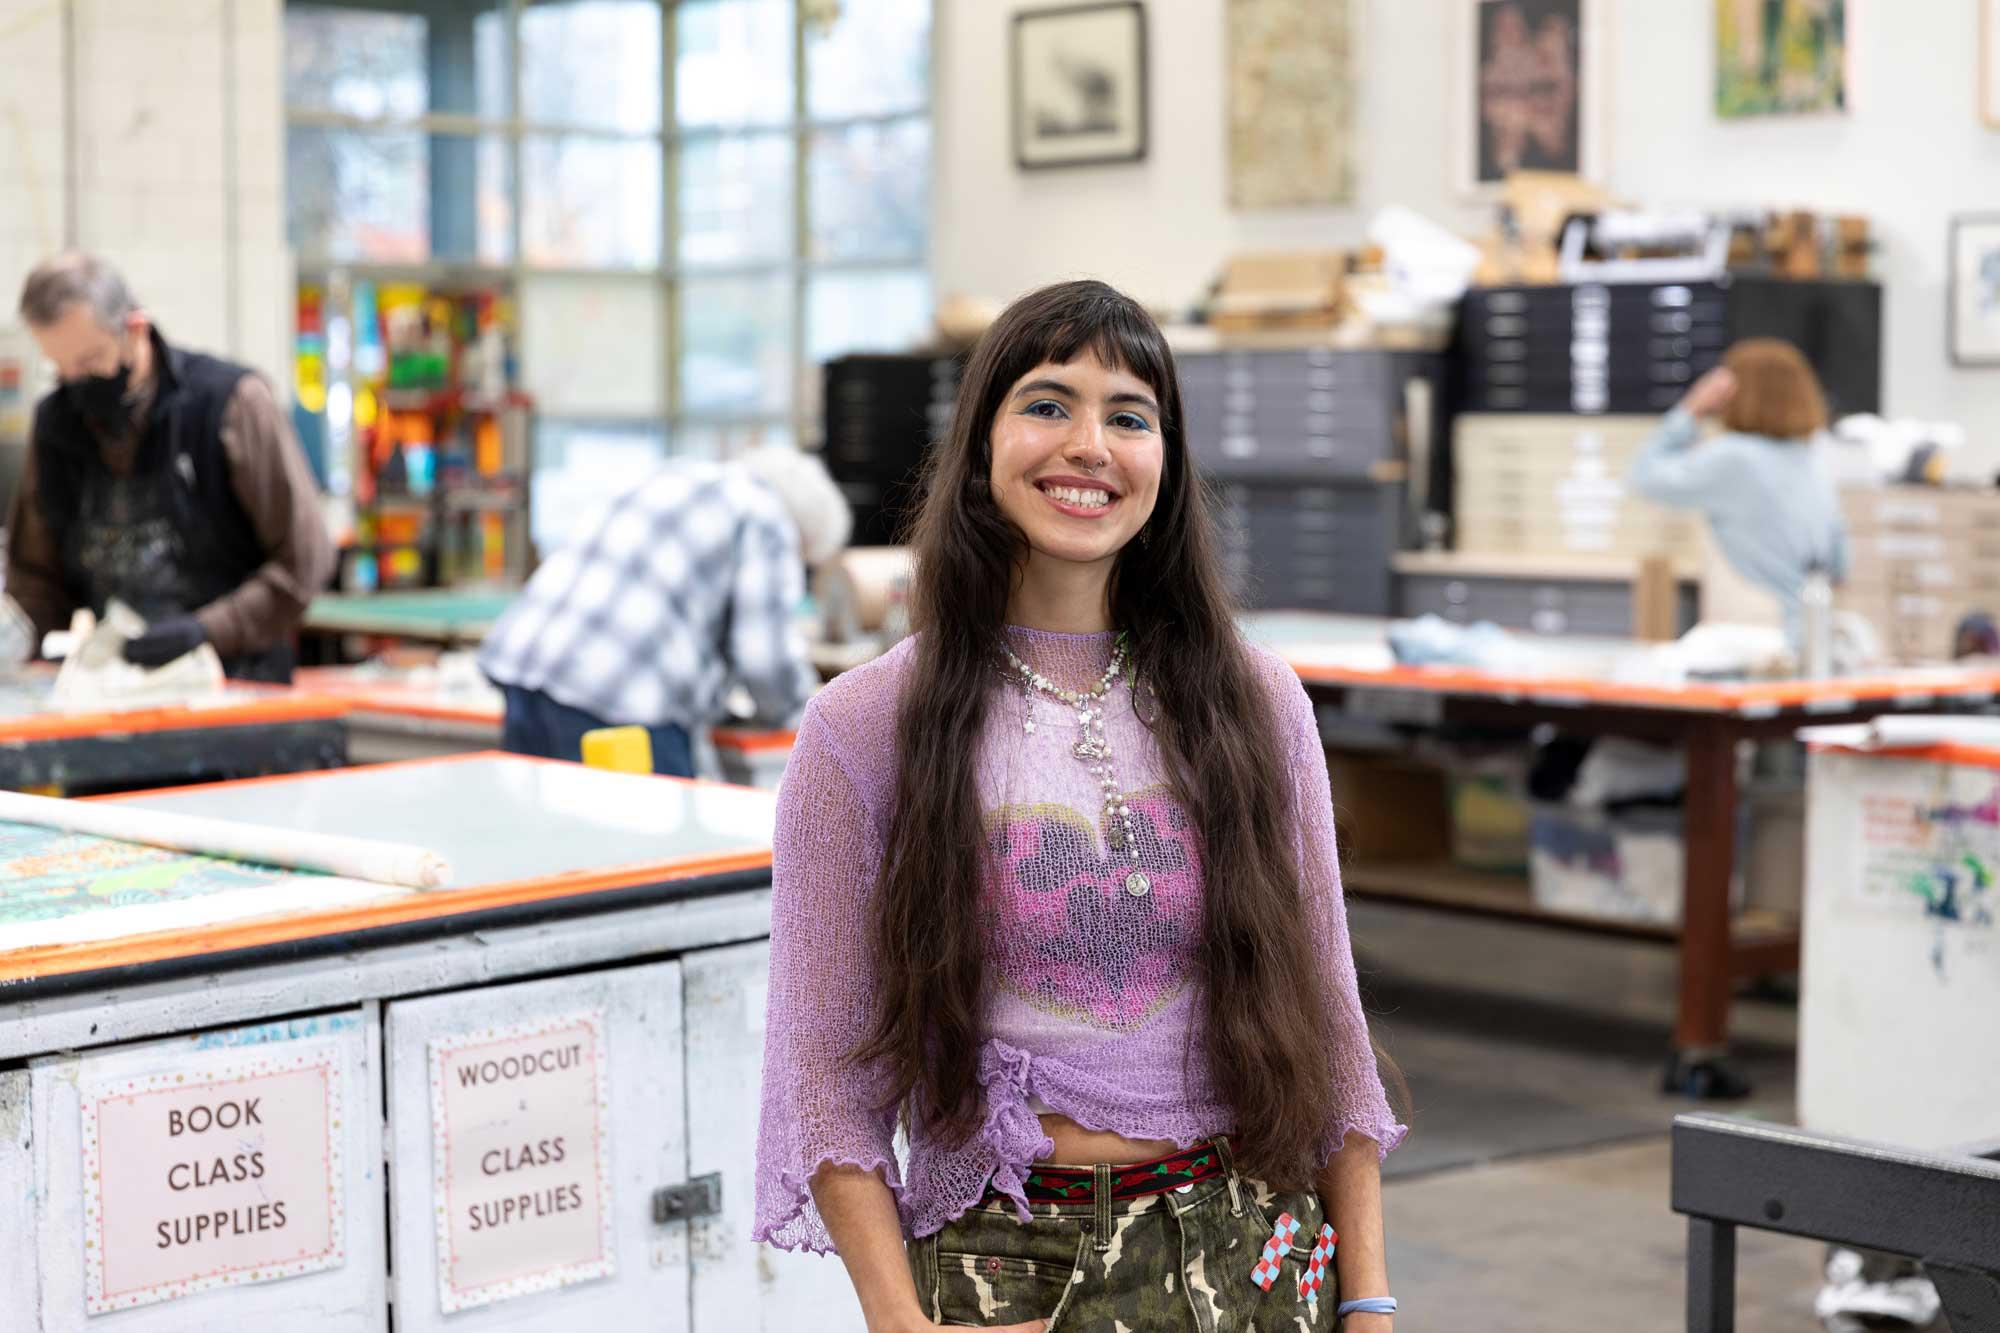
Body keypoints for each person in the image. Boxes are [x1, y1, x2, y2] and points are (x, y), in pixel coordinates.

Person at [753, 280, 1403, 1331]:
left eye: (1128, 416)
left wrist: (1367, 1298)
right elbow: (822, 1077)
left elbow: (1327, 1015)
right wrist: (899, 1325)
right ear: (980, 444)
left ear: (1166, 462)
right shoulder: (863, 726)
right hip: (1006, 1263)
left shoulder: (1254, 701)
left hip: (1251, 1247)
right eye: (1048, 403)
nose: (1088, 445)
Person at [5, 253, 335, 681]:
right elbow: (36, 578)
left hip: (237, 686)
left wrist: (206, 630)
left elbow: (303, 562)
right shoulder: (56, 427)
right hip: (115, 687)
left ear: (135, 328)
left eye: (89, 362)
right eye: (63, 372)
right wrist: (15, 641)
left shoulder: (230, 405)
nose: (78, 384)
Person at [477, 446, 849, 778]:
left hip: (525, 674)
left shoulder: (675, 473)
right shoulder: (766, 512)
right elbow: (764, 657)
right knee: (652, 847)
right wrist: (806, 718)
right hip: (617, 698)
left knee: (551, 846)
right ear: (804, 534)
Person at [1628, 337, 1849, 638]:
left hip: (1752, 637)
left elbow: (1645, 477)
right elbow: (1839, 565)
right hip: (1809, 635)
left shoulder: (1735, 458)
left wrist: (1692, 408)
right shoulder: (1812, 459)